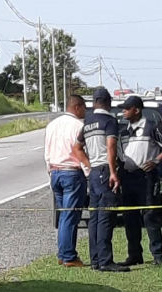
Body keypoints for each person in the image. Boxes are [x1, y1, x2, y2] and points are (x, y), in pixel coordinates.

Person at [117, 96, 162, 266]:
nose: (123, 112)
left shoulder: (150, 126)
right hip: (128, 177)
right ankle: (134, 255)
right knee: (130, 218)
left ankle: (158, 255)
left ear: (137, 110)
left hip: (146, 177)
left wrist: (156, 160)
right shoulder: (123, 131)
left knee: (150, 216)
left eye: (126, 109)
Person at [76, 88, 129, 272]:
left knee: (95, 218)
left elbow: (77, 148)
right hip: (106, 171)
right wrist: (113, 172)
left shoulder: (88, 122)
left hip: (94, 173)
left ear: (94, 102)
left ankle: (96, 260)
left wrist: (88, 165)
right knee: (106, 216)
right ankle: (106, 261)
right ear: (108, 102)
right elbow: (111, 146)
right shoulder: (109, 121)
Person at [44, 95, 90, 267]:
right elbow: (80, 151)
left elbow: (47, 151)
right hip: (71, 172)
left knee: (64, 215)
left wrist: (50, 170)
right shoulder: (79, 126)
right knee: (70, 216)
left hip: (55, 172)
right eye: (84, 108)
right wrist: (88, 172)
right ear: (77, 107)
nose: (85, 112)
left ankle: (64, 253)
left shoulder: (52, 125)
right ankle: (68, 255)